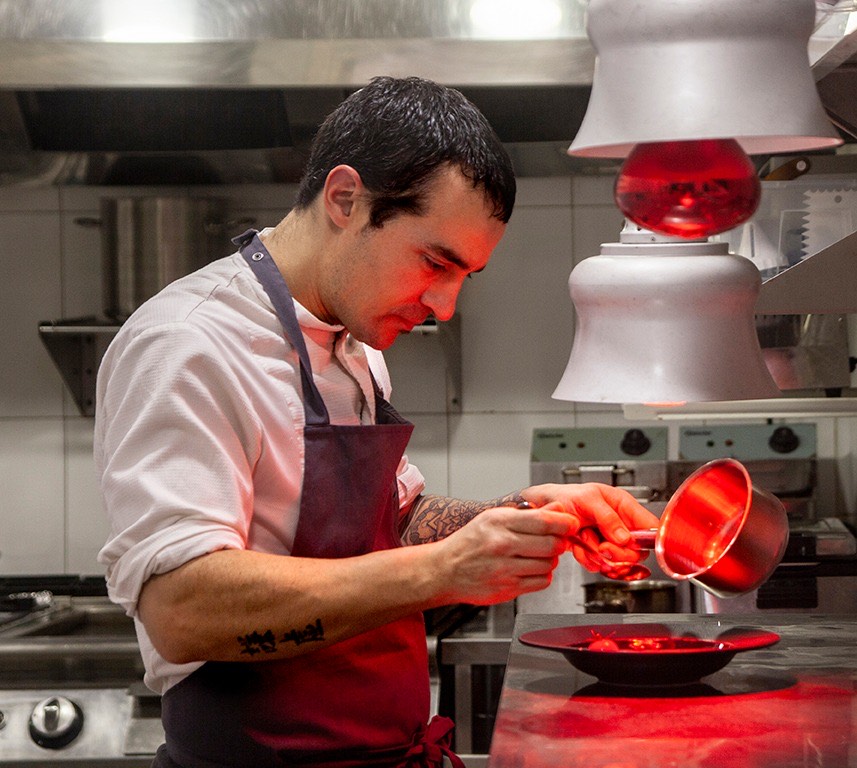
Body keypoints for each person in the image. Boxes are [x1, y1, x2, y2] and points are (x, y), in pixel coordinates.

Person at [95, 76, 658, 768]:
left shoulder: (349, 343)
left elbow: (393, 519)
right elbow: (182, 611)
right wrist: (443, 571)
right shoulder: (189, 344)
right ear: (344, 199)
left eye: (464, 277)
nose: (444, 306)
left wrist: (520, 517)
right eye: (434, 262)